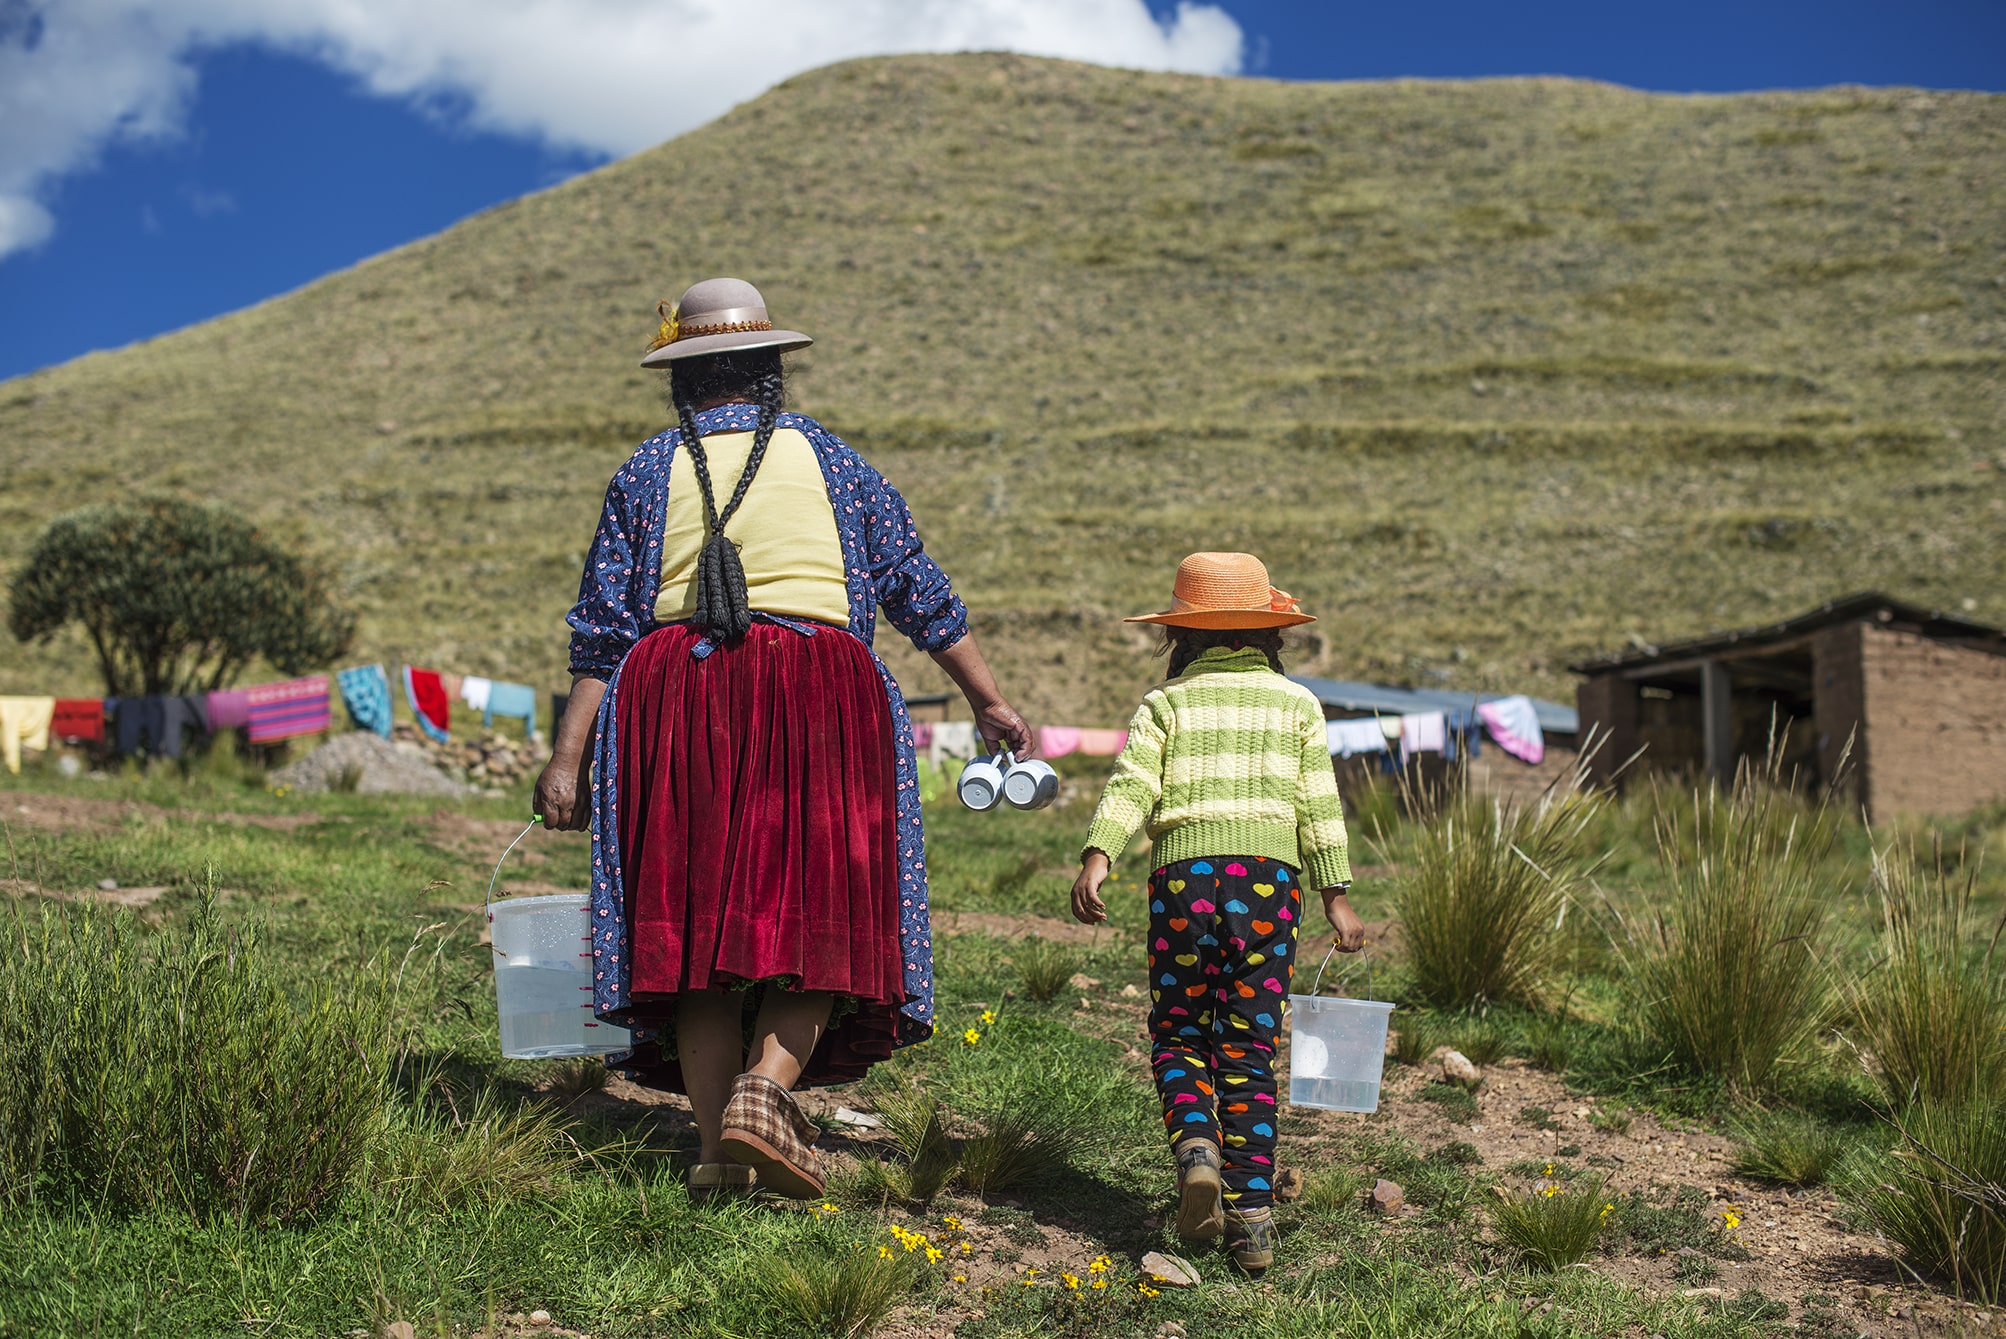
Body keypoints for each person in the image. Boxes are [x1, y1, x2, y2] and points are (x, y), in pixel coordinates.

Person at [533, 278, 1032, 1203]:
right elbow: (919, 589)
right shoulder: (836, 464)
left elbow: (604, 630)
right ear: (768, 371)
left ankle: (719, 1156)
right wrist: (989, 700)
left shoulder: (646, 470)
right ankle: (765, 1095)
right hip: (819, 693)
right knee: (820, 907)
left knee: (692, 930)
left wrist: (568, 757)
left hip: (672, 699)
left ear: (683, 378)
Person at [1069, 551, 1365, 1275]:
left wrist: (1099, 855)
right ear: (1271, 636)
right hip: (1270, 888)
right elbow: (1319, 806)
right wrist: (1337, 894)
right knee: (1247, 1050)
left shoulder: (1164, 705)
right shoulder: (1297, 705)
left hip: (1183, 883)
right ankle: (1253, 1220)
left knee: (1178, 1033)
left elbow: (1131, 788)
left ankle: (1197, 1149)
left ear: (1183, 638)